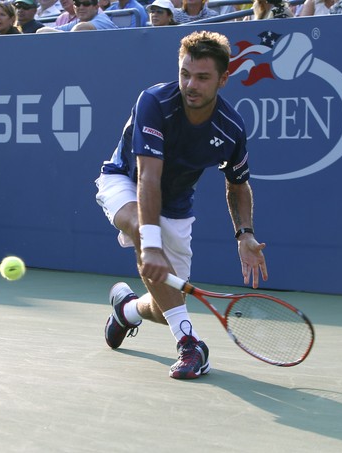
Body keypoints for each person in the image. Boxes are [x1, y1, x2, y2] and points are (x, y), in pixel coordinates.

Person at [96, 30, 268, 380]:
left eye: (203, 78)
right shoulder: (155, 103)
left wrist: (245, 234)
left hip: (175, 207)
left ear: (223, 79)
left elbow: (237, 184)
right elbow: (148, 178)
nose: (191, 84)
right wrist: (152, 243)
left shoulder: (231, 128)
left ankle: (127, 309)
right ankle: (191, 344)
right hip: (125, 181)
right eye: (185, 74)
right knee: (138, 226)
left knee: (162, 306)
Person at [36, 0, 116, 32]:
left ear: (96, 7)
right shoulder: (77, 22)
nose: (81, 7)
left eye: (86, 4)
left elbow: (81, 28)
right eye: (77, 4)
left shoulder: (102, 19)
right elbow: (42, 31)